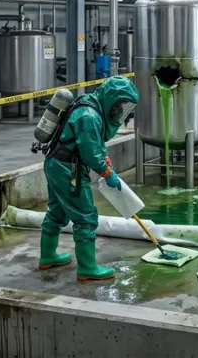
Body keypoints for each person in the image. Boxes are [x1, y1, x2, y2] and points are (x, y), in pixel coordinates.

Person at [38, 76, 139, 282]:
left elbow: (94, 141)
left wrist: (105, 158)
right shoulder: (89, 115)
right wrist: (107, 173)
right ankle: (87, 268)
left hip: (56, 164)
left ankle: (47, 256)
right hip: (69, 170)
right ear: (112, 99)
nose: (120, 111)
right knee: (85, 216)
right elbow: (90, 152)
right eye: (120, 105)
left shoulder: (91, 105)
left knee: (57, 211)